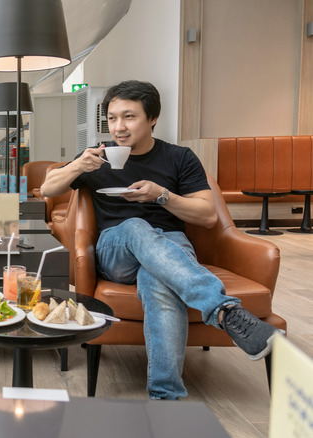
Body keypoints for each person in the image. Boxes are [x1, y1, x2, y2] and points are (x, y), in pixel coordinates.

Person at [40, 80, 283, 400]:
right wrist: (76, 165)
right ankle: (224, 310)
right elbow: (47, 188)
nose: (119, 127)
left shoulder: (179, 157)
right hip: (116, 249)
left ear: (152, 118)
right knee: (136, 226)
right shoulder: (95, 156)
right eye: (112, 118)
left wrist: (162, 196)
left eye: (129, 117)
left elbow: (208, 215)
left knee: (156, 279)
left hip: (170, 246)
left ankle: (165, 397)